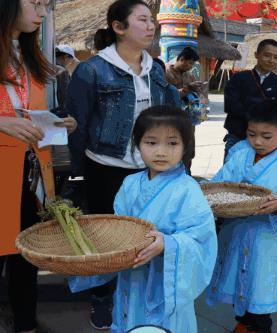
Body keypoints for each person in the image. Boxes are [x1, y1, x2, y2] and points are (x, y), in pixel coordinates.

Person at [66, 0, 180, 329]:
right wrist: (79, 170)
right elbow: (78, 124)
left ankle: (137, 295)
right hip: (105, 167)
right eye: (142, 20)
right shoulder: (92, 70)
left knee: (144, 233)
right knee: (105, 239)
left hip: (148, 168)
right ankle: (102, 297)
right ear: (118, 27)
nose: (151, 26)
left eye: (152, 20)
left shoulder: (155, 67)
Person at [69, 106, 217, 333]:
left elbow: (201, 239)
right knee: (130, 319)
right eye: (151, 142)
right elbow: (120, 227)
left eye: (172, 143)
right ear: (137, 144)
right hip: (132, 275)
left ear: (186, 146)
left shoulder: (188, 189)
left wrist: (169, 244)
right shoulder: (130, 184)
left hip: (164, 281)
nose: (161, 152)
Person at [206, 100, 277, 333]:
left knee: (260, 284)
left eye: (267, 136)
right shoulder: (240, 156)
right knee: (238, 277)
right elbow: (220, 182)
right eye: (251, 134)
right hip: (236, 231)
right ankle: (244, 320)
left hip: (266, 237)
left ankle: (259, 325)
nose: (257, 142)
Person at [0, 1, 77, 332]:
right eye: (35, 3)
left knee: (27, 252)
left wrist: (57, 124)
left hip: (30, 172)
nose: (42, 13)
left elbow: (29, 111)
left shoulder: (29, 55)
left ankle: (26, 323)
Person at [223, 39, 277, 157]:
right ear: (256, 55)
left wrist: (249, 101)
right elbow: (231, 106)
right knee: (231, 173)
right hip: (238, 135)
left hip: (267, 141)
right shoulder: (239, 78)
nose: (271, 60)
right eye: (267, 55)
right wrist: (266, 104)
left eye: (276, 57)